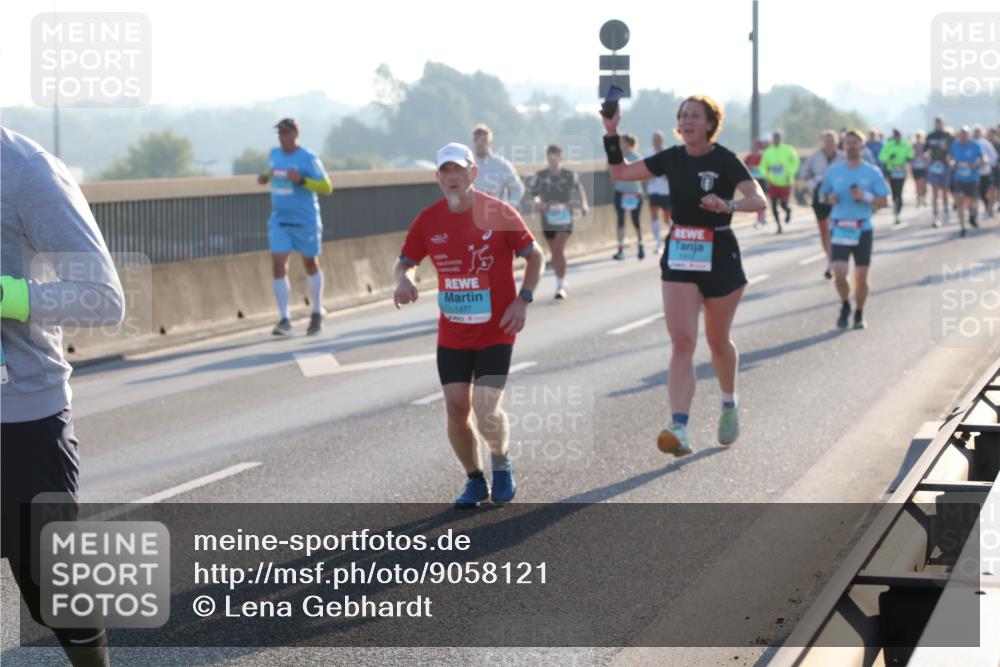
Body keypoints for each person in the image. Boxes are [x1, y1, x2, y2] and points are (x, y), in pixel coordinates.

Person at [2, 127, 125, 667]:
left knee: (52, 585)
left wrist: (7, 295)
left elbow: (103, 299)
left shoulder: (27, 170)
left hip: (20, 414)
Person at [601, 95, 767, 455]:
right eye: (683, 115)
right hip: (681, 252)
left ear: (710, 123)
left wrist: (729, 205)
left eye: (696, 115)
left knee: (718, 342)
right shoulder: (672, 158)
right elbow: (621, 172)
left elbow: (759, 201)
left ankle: (728, 401)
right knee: (682, 341)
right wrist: (611, 133)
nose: (688, 120)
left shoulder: (724, 159)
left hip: (721, 253)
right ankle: (679, 426)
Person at [393, 143, 544, 507]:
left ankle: (502, 464)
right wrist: (403, 279)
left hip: (497, 329)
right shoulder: (429, 220)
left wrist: (523, 299)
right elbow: (406, 260)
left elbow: (534, 255)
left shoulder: (498, 212)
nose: (451, 177)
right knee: (456, 407)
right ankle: (474, 480)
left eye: (457, 170)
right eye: (444, 171)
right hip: (454, 332)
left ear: (473, 173)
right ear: (438, 178)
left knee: (486, 406)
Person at [257, 118, 333, 336]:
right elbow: (273, 172)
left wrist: (302, 181)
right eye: (278, 133)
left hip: (305, 221)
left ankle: (317, 311)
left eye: (284, 133)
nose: (280, 137)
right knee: (278, 264)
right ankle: (284, 319)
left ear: (294, 134)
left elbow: (327, 187)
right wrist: (265, 177)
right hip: (280, 221)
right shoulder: (274, 154)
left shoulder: (308, 158)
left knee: (310, 263)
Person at [819, 129, 889, 330]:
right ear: (843, 146)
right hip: (839, 226)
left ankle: (859, 312)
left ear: (862, 146)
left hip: (863, 228)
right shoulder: (834, 171)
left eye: (855, 143)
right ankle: (845, 304)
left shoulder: (872, 172)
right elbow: (822, 195)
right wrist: (829, 198)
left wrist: (865, 197)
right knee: (839, 272)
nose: (851, 146)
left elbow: (885, 201)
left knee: (861, 276)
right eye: (848, 143)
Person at [528, 144, 589, 299]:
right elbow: (533, 194)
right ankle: (560, 278)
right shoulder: (540, 175)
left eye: (555, 158)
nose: (552, 161)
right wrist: (538, 203)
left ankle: (560, 285)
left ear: (561, 158)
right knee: (554, 252)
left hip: (565, 216)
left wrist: (584, 204)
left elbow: (579, 188)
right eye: (550, 158)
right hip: (548, 217)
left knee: (558, 249)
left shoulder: (569, 174)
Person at [798, 130, 842, 278]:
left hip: (838, 197)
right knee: (824, 229)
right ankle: (830, 260)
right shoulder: (815, 156)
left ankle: (836, 259)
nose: (829, 144)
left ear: (836, 142)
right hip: (819, 196)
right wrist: (813, 180)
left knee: (833, 227)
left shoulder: (842, 157)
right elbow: (803, 173)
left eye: (832, 141)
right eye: (826, 141)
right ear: (822, 142)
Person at [471, 124, 526, 208]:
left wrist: (509, 208)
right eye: (476, 139)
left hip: (496, 215)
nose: (480, 143)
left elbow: (518, 189)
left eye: (484, 139)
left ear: (490, 141)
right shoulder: (468, 166)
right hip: (474, 215)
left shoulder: (501, 164)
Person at [612, 133, 646, 260]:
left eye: (622, 142)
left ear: (629, 144)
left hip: (634, 194)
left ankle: (641, 245)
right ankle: (620, 250)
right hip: (620, 192)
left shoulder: (636, 157)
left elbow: (641, 172)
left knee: (635, 221)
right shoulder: (616, 157)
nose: (620, 145)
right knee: (620, 221)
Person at [759, 130, 800, 232]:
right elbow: (763, 166)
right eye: (774, 138)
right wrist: (766, 175)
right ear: (772, 139)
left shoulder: (788, 149)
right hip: (773, 182)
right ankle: (778, 226)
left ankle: (788, 210)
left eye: (778, 137)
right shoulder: (768, 151)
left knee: (783, 205)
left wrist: (790, 173)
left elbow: (796, 162)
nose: (776, 139)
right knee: (773, 206)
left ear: (781, 139)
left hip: (786, 182)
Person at [949, 126, 985, 237]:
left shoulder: (975, 146)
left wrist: (976, 165)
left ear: (969, 135)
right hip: (959, 179)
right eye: (962, 133)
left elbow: (984, 160)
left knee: (971, 204)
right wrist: (952, 163)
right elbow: (950, 158)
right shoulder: (955, 145)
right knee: (959, 201)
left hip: (972, 179)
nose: (963, 136)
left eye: (965, 133)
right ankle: (962, 227)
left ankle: (972, 215)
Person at [878, 129, 915, 224]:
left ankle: (898, 212)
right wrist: (889, 157)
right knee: (894, 192)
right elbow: (881, 157)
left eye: (899, 136)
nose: (897, 138)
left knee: (900, 192)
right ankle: (895, 211)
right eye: (896, 136)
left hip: (902, 170)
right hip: (892, 170)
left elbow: (911, 153)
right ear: (894, 137)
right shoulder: (889, 145)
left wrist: (908, 157)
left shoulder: (905, 144)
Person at [645, 131, 671, 254]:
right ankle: (658, 243)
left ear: (662, 141)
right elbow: (644, 171)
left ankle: (671, 242)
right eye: (655, 139)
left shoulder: (668, 154)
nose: (656, 141)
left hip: (666, 191)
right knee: (654, 216)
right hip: (653, 190)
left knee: (668, 219)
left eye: (659, 139)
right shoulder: (648, 154)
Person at [925, 117, 954, 227]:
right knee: (935, 192)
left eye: (940, 123)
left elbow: (952, 149)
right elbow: (926, 149)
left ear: (943, 124)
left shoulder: (947, 135)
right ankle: (935, 216)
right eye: (936, 123)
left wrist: (949, 156)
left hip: (945, 166)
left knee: (945, 191)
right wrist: (926, 155)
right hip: (934, 166)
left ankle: (946, 211)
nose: (938, 125)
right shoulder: (930, 136)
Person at [973, 125, 998, 220]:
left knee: (986, 192)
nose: (976, 133)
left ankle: (988, 208)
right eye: (975, 131)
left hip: (986, 172)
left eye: (978, 131)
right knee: (976, 193)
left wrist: (986, 162)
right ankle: (975, 212)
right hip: (973, 173)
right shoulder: (971, 143)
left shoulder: (986, 143)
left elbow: (994, 156)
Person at [743, 135, 769, 228]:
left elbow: (767, 166)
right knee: (757, 199)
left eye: (758, 144)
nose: (756, 146)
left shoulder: (764, 155)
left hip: (762, 179)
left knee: (761, 199)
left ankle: (761, 217)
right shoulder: (749, 156)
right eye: (755, 144)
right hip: (753, 180)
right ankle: (761, 217)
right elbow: (744, 166)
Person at [911, 131, 929, 207]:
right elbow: (910, 156)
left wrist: (925, 158)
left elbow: (928, 155)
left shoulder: (925, 146)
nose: (918, 138)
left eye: (920, 136)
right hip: (916, 167)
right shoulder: (913, 146)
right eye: (917, 136)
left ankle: (923, 197)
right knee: (917, 184)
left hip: (923, 167)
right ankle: (918, 198)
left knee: (923, 184)